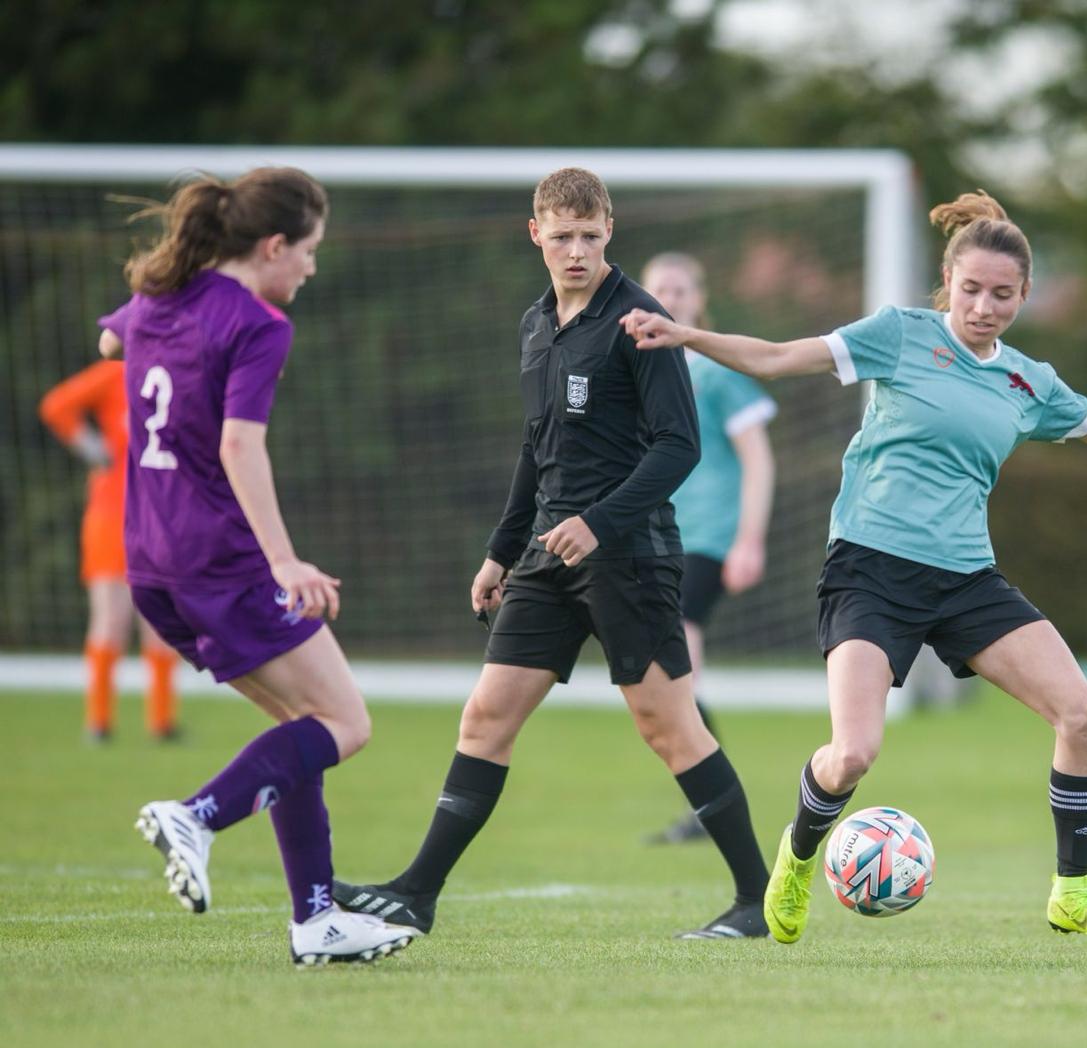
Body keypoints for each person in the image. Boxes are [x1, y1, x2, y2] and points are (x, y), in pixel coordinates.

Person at [621, 191, 1087, 947]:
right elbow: (781, 357)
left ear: (1024, 295)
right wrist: (685, 333)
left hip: (964, 580)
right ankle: (794, 860)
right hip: (870, 572)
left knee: (1083, 713)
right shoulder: (898, 336)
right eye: (972, 289)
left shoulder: (1028, 381)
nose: (985, 306)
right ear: (947, 283)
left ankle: (1073, 893)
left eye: (1003, 294)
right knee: (852, 752)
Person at [333, 168, 772, 940]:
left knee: (668, 727)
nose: (576, 251)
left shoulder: (641, 320)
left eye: (590, 236)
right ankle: (416, 892)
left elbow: (680, 447)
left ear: (611, 231)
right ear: (534, 232)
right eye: (561, 236)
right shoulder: (536, 323)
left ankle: (757, 899)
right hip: (546, 554)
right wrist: (500, 551)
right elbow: (537, 450)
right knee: (486, 715)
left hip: (631, 554)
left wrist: (599, 523)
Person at [121, 166, 417, 965]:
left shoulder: (157, 298)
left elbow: (113, 338)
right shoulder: (257, 323)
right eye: (310, 250)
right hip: (218, 558)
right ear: (274, 245)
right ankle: (197, 815)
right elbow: (239, 443)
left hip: (149, 563)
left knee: (299, 726)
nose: (313, 268)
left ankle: (316, 919)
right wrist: (283, 560)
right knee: (345, 723)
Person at [639, 252, 777, 845]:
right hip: (657, 538)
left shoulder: (717, 372)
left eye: (681, 289)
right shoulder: (641, 373)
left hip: (710, 537)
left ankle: (714, 803)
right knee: (668, 671)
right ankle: (710, 801)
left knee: (678, 661)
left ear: (700, 300)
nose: (670, 297)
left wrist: (749, 539)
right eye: (658, 289)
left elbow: (758, 459)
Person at [38, 321, 180, 743]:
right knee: (111, 618)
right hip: (112, 514)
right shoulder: (115, 374)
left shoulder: (184, 381)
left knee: (160, 621)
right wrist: (92, 449)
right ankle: (98, 723)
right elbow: (56, 405)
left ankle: (162, 723)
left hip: (161, 516)